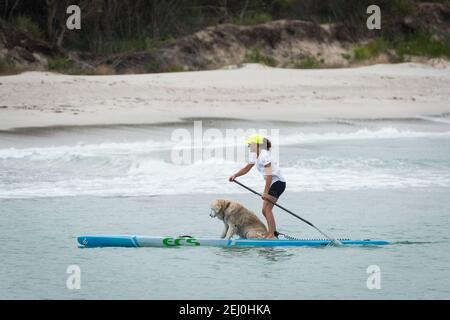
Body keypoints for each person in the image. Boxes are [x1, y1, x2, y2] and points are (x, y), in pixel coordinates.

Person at [228, 134, 286, 239]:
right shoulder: (254, 155)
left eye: (250, 144)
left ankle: (271, 234)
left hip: (278, 183)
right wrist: (235, 175)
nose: (248, 146)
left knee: (267, 209)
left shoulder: (265, 155)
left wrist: (265, 192)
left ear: (257, 144)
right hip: (272, 183)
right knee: (264, 210)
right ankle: (272, 233)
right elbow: (247, 168)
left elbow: (269, 175)